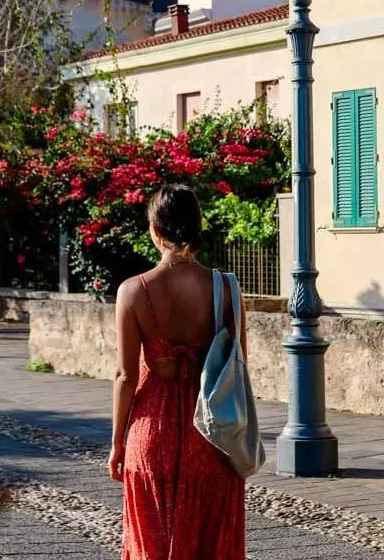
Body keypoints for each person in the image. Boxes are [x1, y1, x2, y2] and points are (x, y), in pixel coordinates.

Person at [109, 184, 246, 560]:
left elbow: (125, 376)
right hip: (212, 434)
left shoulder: (132, 291)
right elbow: (238, 365)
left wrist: (118, 442)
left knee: (150, 544)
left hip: (151, 435)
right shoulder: (227, 289)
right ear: (198, 226)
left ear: (155, 230)